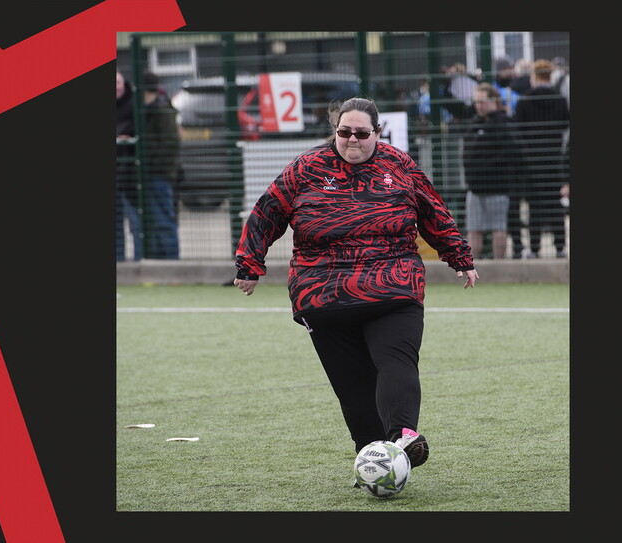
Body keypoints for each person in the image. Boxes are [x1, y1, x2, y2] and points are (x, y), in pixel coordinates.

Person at [232, 97, 479, 474]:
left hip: (393, 285)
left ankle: (403, 437)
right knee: (353, 386)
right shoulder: (306, 167)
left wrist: (459, 256)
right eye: (344, 132)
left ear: (377, 133)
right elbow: (267, 213)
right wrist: (249, 264)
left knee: (396, 360)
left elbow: (433, 210)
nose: (352, 140)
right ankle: (372, 459)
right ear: (335, 131)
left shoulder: (399, 164)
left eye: (361, 134)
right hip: (324, 292)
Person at [461, 82, 527, 259]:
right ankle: (472, 267)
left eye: (482, 102)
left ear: (494, 101)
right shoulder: (474, 125)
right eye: (476, 102)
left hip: (498, 186)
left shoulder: (504, 124)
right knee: (473, 229)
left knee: (499, 228)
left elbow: (516, 154)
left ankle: (499, 264)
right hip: (475, 187)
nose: (479, 106)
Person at [513, 59, 571, 258]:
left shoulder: (524, 100)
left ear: (535, 76)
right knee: (555, 205)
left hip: (532, 161)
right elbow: (565, 125)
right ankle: (560, 247)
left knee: (534, 206)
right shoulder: (559, 99)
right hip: (554, 159)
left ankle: (535, 248)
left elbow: (518, 130)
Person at [138, 71, 181, 259]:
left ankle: (170, 262)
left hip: (159, 174)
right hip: (151, 173)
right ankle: (157, 260)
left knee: (163, 220)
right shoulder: (148, 109)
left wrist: (149, 161)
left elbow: (169, 144)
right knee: (153, 222)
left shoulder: (161, 110)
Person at [116, 70, 141, 261]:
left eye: (118, 82)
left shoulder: (134, 103)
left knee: (136, 221)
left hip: (131, 174)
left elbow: (138, 130)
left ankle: (140, 259)